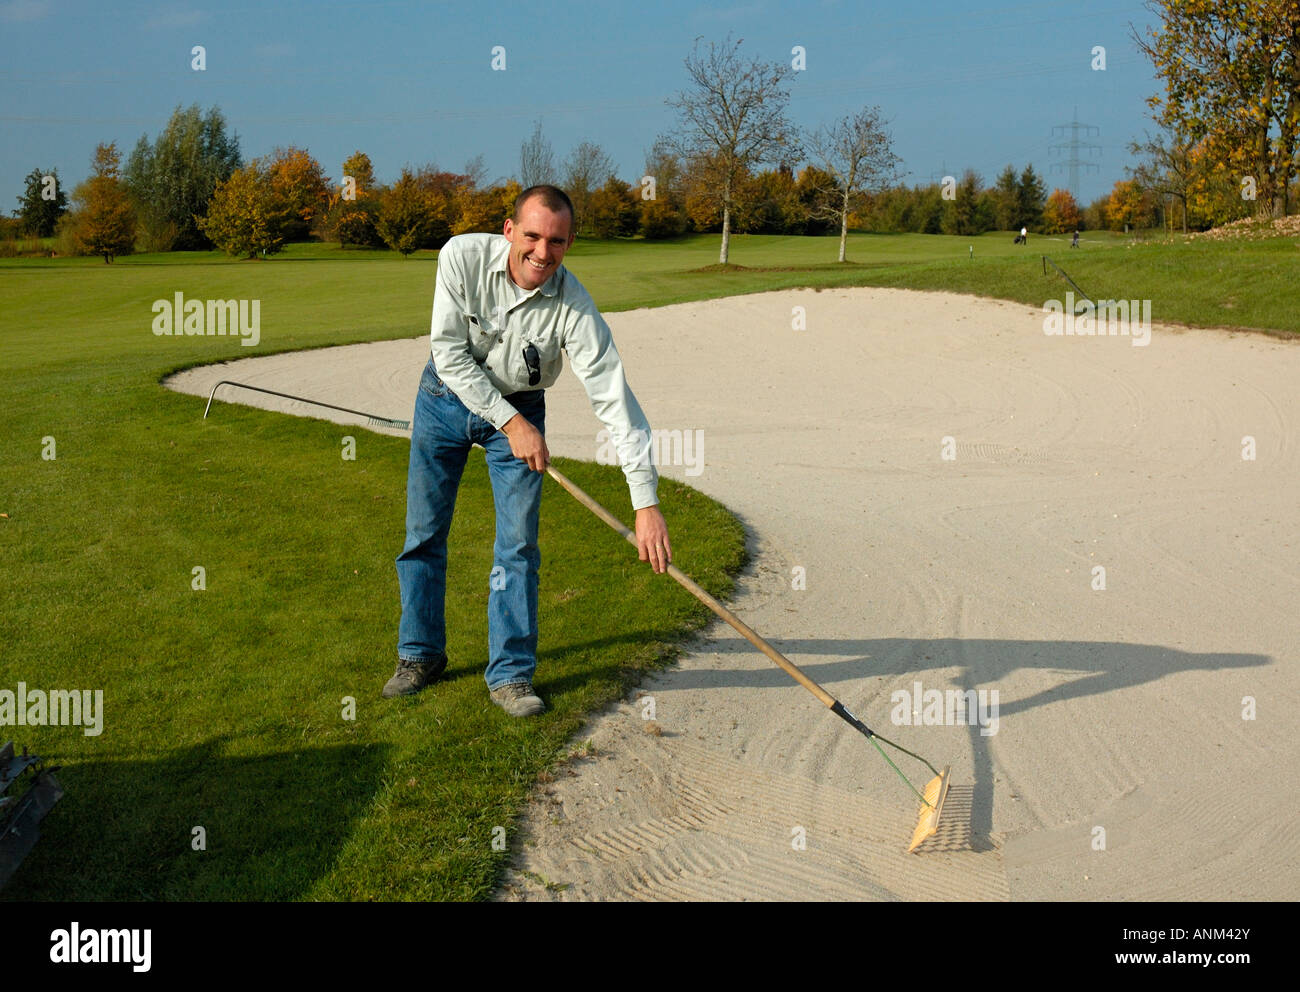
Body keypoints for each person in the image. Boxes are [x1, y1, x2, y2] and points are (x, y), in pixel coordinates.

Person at [384, 185, 671, 716]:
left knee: (517, 546)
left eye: (557, 241)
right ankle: (419, 655)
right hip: (444, 398)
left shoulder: (574, 307)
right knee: (424, 532)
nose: (543, 252)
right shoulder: (460, 257)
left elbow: (615, 400)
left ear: (569, 244)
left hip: (521, 410)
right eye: (533, 235)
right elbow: (447, 352)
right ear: (509, 231)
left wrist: (645, 502)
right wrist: (511, 422)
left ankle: (511, 677)